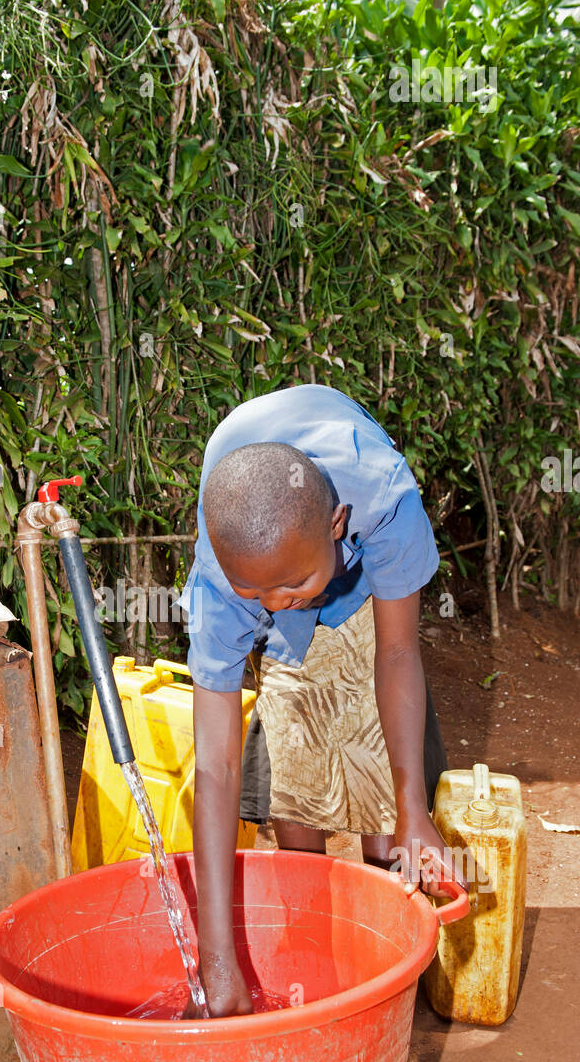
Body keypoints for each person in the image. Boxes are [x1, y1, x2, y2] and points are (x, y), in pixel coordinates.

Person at [178, 383, 467, 1018]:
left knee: (378, 777)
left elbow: (396, 656)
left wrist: (413, 809)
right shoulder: (223, 581)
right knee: (293, 751)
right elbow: (216, 767)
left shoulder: (385, 502)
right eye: (257, 591)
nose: (277, 602)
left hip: (360, 592)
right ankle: (308, 946)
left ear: (337, 527)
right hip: (280, 541)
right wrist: (215, 962)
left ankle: (386, 955)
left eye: (293, 584)